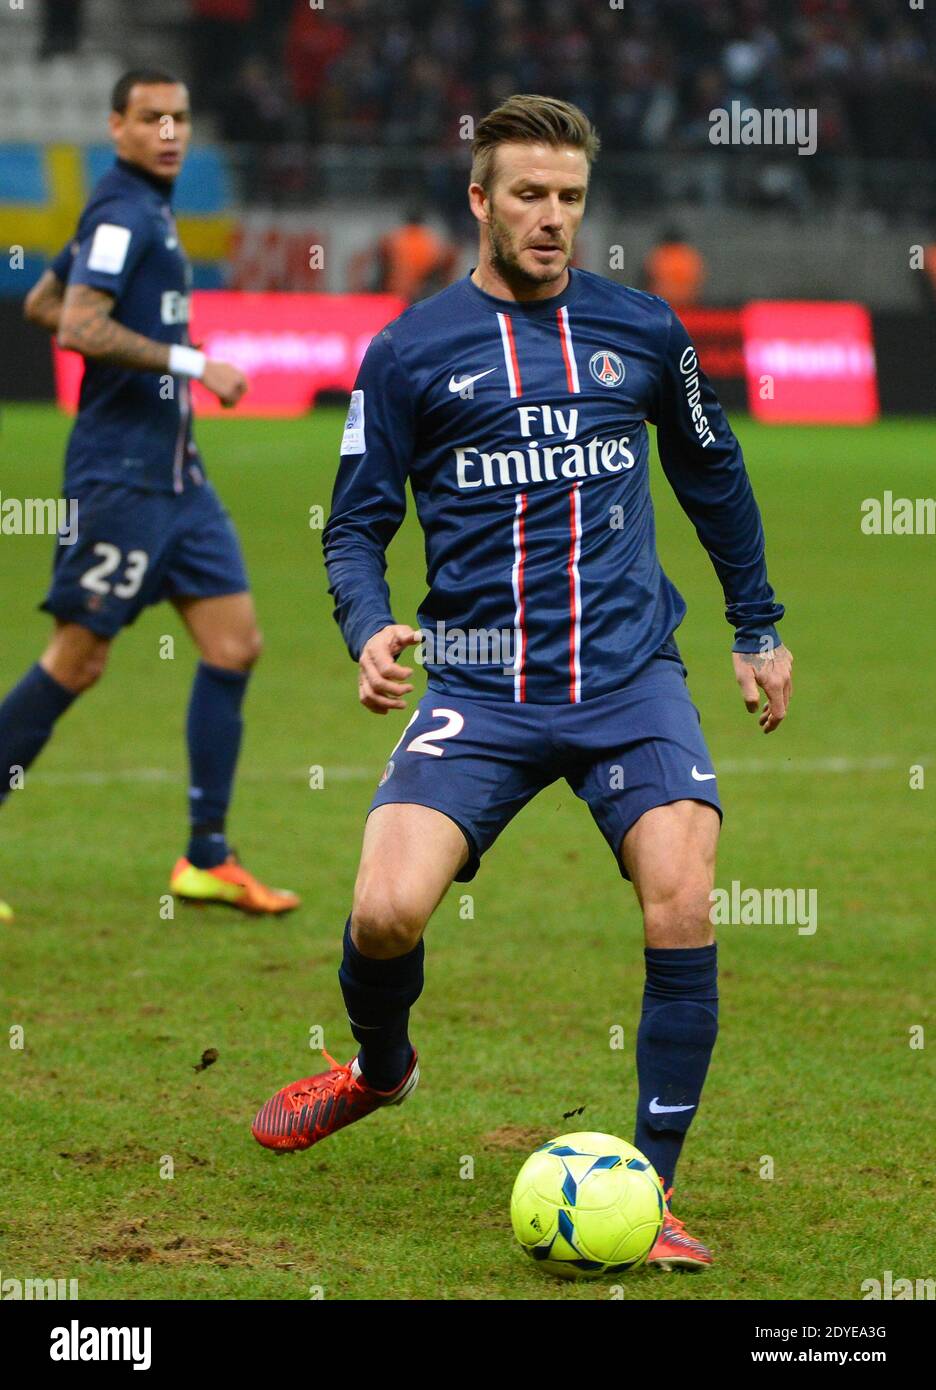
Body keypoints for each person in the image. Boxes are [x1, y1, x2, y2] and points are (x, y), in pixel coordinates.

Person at [252, 95, 793, 1269]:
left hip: (629, 674)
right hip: (481, 683)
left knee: (683, 894)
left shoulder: (642, 329)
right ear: (479, 201)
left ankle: (646, 1193)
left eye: (570, 199)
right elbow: (353, 526)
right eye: (531, 196)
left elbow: (714, 474)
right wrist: (368, 627)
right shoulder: (408, 353)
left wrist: (757, 625)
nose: (553, 220)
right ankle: (381, 1069)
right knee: (387, 909)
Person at [6, 69, 299, 919]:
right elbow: (75, 324)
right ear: (117, 126)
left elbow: (39, 300)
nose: (169, 130)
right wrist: (190, 361)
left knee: (235, 643)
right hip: (121, 476)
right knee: (79, 659)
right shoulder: (123, 211)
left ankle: (206, 857)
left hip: (180, 478)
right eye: (150, 118)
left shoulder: (145, 209)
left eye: (179, 116)